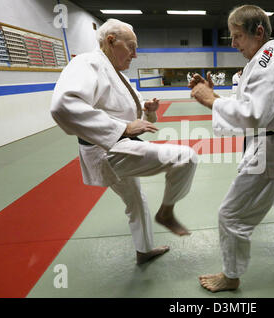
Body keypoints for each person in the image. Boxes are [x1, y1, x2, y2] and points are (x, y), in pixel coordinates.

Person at [51, 19, 197, 265]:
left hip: (117, 146)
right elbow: (63, 105)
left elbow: (138, 117)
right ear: (111, 41)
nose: (135, 55)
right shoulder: (86, 63)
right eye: (131, 47)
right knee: (187, 157)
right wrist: (122, 127)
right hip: (108, 151)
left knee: (136, 202)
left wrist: (148, 111)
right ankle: (167, 211)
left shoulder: (119, 76)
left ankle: (144, 250)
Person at [189, 5, 274, 292]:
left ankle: (231, 276)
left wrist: (211, 101)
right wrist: (215, 95)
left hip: (269, 149)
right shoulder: (268, 58)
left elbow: (255, 115)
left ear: (258, 32)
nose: (232, 44)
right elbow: (254, 106)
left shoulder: (267, 62)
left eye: (237, 36)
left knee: (231, 215)